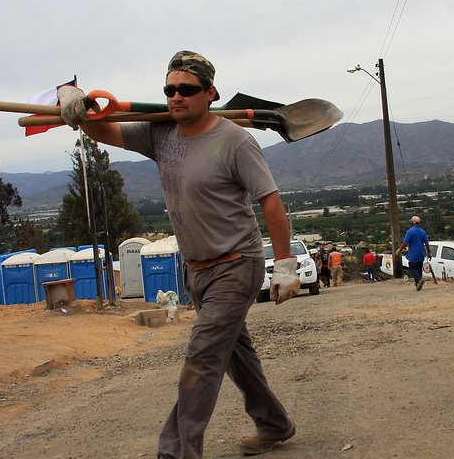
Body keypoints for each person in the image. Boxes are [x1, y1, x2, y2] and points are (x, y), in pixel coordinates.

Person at [59, 50, 299, 458]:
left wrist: (286, 265)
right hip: (197, 270)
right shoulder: (161, 134)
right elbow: (106, 132)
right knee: (232, 355)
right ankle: (274, 424)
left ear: (211, 93)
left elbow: (271, 203)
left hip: (236, 265)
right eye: (169, 89)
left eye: (186, 89)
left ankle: (176, 452)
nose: (175, 96)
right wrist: (75, 103)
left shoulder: (236, 141)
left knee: (202, 358)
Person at [397, 216, 431, 291]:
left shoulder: (410, 231)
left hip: (413, 253)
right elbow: (426, 243)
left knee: (412, 268)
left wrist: (399, 250)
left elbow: (405, 243)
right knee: (419, 268)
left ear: (412, 222)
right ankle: (418, 285)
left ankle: (418, 281)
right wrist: (429, 252)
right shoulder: (422, 231)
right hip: (421, 253)